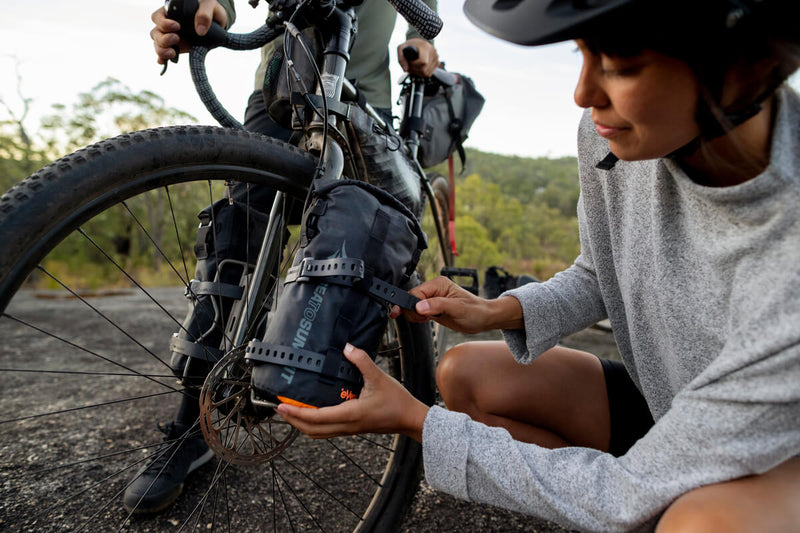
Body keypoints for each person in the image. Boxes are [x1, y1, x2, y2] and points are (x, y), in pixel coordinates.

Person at [276, 0, 800, 531]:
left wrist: (416, 421)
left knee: (705, 523)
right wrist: (493, 312)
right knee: (465, 374)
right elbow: (600, 273)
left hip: (772, 458)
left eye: (618, 64)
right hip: (668, 406)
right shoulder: (610, 138)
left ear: (740, 70)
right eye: (581, 54)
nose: (583, 93)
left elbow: (625, 491)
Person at [124, 0, 439, 514]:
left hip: (364, 95)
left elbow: (424, 7)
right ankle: (191, 424)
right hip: (280, 83)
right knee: (239, 228)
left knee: (364, 241)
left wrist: (423, 38)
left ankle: (381, 360)